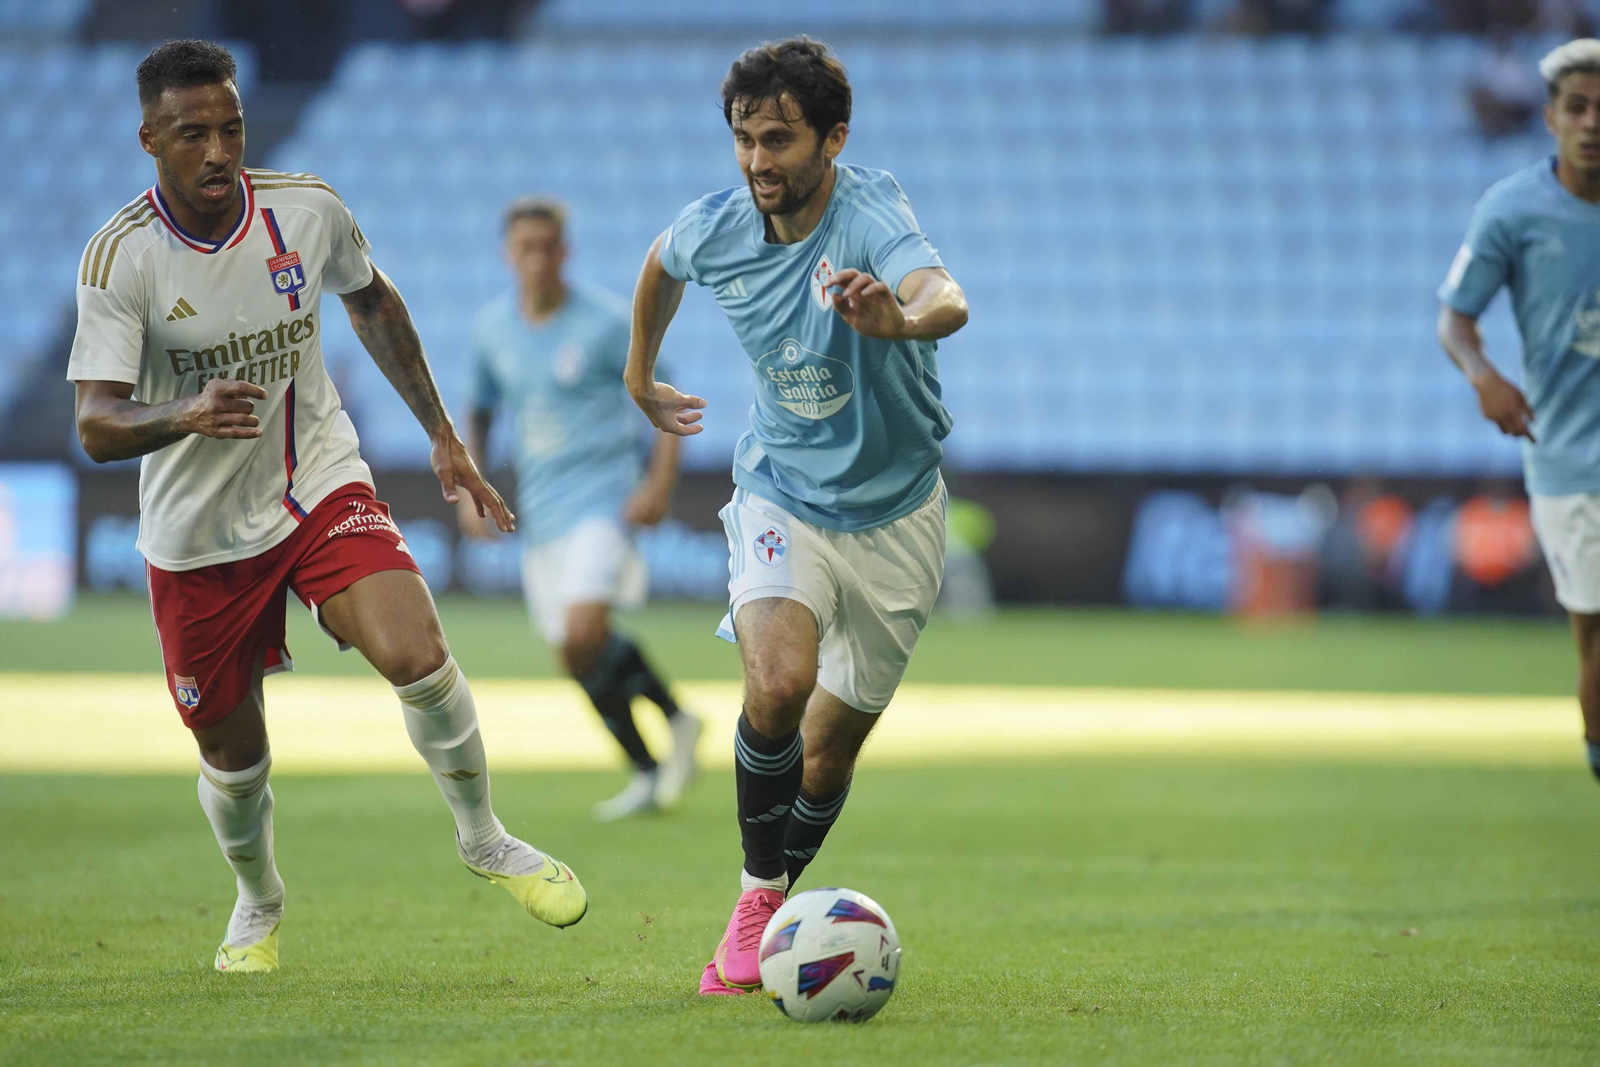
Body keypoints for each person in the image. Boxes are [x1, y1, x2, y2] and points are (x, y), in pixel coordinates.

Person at [67, 40, 587, 974]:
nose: (220, 150)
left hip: (314, 484)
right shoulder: (120, 260)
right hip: (195, 535)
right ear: (150, 139)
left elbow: (376, 305)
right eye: (194, 134)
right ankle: (258, 898)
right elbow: (96, 425)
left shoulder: (307, 209)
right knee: (231, 754)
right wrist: (186, 409)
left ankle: (484, 836)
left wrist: (442, 435)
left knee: (418, 651)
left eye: (231, 127)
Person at [623, 37, 969, 995]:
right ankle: (755, 893)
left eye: (777, 139)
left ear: (833, 138)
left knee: (827, 750)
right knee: (777, 682)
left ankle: (775, 904)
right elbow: (661, 261)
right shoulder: (720, 224)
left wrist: (897, 319)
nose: (756, 161)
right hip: (783, 490)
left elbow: (946, 298)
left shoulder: (869, 212)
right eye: (743, 139)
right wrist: (638, 373)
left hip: (898, 515)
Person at [460, 196, 701, 822]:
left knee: (581, 632)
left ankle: (670, 734)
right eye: (525, 248)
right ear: (507, 254)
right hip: (543, 509)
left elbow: (667, 402)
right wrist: (470, 489)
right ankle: (658, 752)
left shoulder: (605, 322)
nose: (538, 260)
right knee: (573, 653)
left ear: (565, 251)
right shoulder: (492, 330)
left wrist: (658, 486)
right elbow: (479, 412)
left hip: (604, 498)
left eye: (549, 247)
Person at [1437, 38, 1600, 787]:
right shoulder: (1512, 210)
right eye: (1578, 107)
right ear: (1550, 118)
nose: (1593, 122)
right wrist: (1484, 377)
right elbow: (1454, 320)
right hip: (1572, 463)